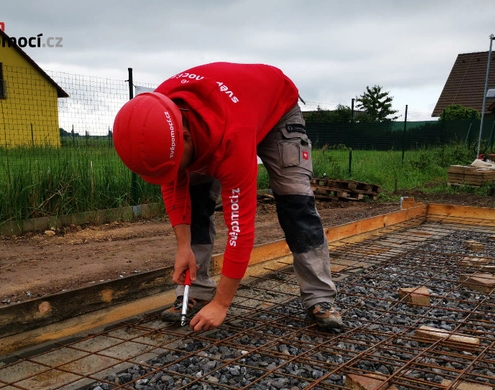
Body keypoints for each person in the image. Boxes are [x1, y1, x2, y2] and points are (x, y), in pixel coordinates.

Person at [113, 62, 342, 332]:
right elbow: (173, 183)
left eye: (176, 164)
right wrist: (183, 247)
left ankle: (320, 296)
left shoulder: (232, 138)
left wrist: (222, 304)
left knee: (295, 203)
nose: (177, 172)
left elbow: (240, 228)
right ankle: (196, 291)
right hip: (230, 111)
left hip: (276, 109)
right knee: (196, 198)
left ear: (185, 137)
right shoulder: (158, 117)